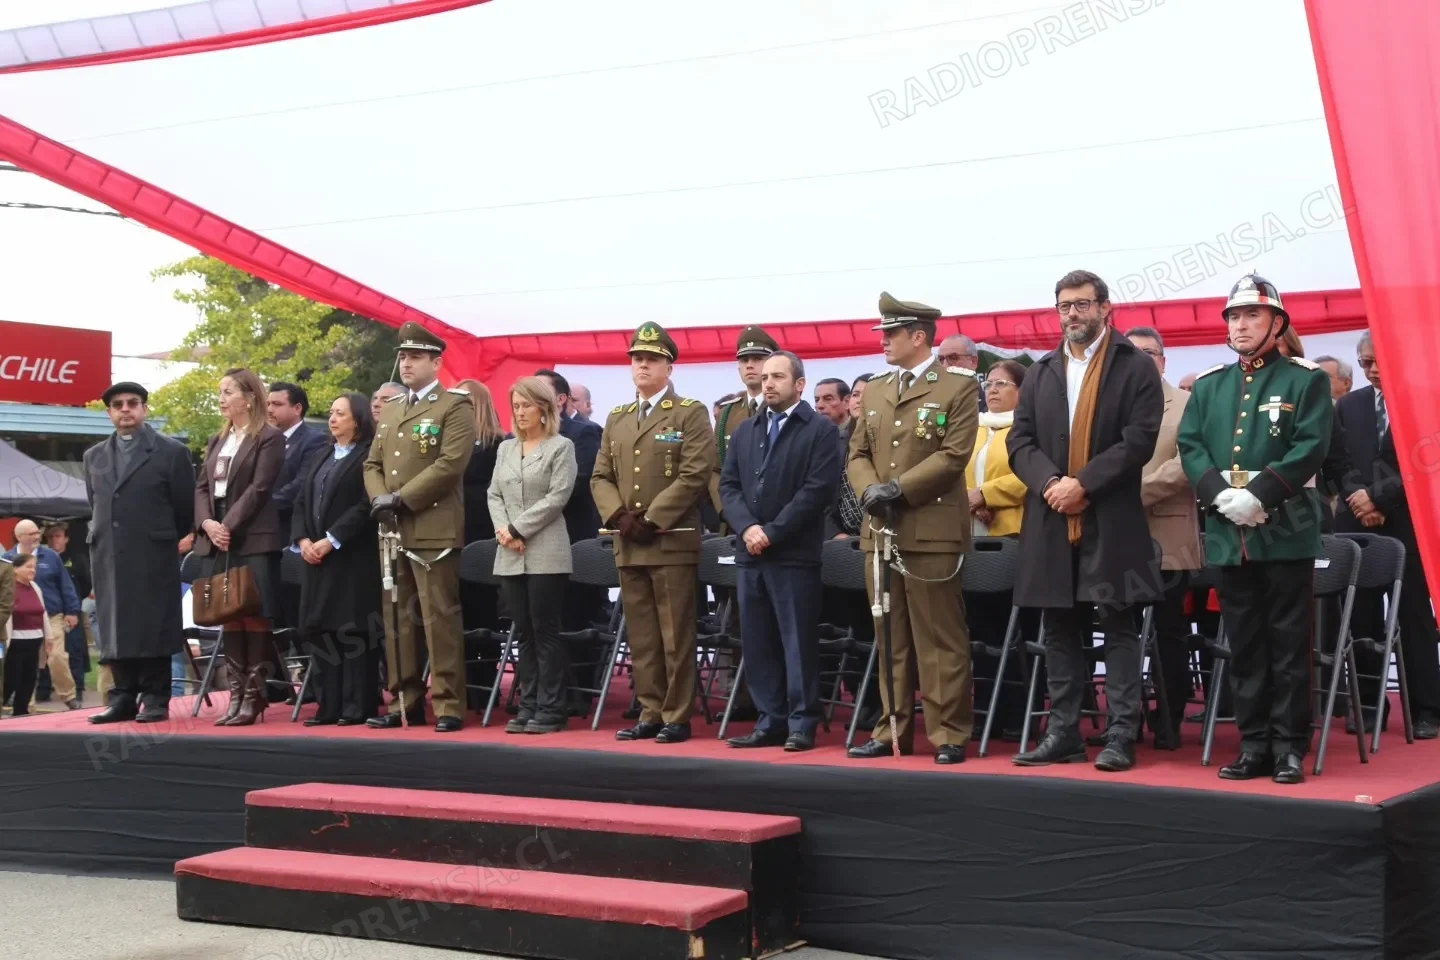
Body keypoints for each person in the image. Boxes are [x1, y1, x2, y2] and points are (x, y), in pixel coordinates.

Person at [1178, 273, 1333, 784]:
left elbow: (1310, 445)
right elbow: (1191, 445)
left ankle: (1290, 746)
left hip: (1285, 527)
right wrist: (1221, 496)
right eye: (1235, 316)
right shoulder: (1209, 385)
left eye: (1252, 315)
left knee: (1288, 643)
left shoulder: (1304, 378)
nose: (1241, 325)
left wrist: (1259, 495)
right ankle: (1255, 743)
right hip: (1227, 531)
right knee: (1244, 642)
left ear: (1277, 322)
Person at [1007, 270, 1163, 773]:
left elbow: (1139, 440)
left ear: (1105, 308)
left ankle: (1120, 734)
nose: (1072, 314)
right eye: (1064, 306)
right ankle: (1064, 732)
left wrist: (1084, 485)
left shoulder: (1134, 367)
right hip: (1051, 517)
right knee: (1059, 628)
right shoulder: (1042, 370)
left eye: (1082, 304)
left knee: (1118, 626)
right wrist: (1052, 483)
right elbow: (1019, 442)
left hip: (1110, 517)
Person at [845, 292, 980, 764]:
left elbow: (953, 454)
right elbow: (858, 451)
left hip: (930, 527)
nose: (883, 341)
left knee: (938, 638)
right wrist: (868, 491)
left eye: (891, 333)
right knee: (889, 635)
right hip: (880, 529)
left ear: (918, 337)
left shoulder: (958, 386)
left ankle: (949, 733)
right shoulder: (879, 387)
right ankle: (891, 729)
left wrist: (897, 489)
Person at [591, 322, 715, 744]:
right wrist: (619, 517)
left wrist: (653, 518)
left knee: (675, 634)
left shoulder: (689, 411)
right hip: (629, 539)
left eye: (651, 359)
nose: (642, 365)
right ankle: (651, 710)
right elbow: (600, 475)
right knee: (642, 635)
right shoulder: (618, 416)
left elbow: (696, 472)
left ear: (669, 366)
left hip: (670, 537)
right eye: (637, 359)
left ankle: (677, 715)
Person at [720, 351, 841, 751]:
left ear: (799, 384)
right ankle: (769, 718)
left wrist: (771, 531)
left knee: (796, 641)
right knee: (757, 641)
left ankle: (802, 721)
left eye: (778, 377)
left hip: (793, 554)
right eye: (765, 377)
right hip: (750, 553)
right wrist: (747, 527)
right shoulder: (746, 429)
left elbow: (816, 491)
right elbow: (729, 487)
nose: (768, 383)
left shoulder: (819, 431)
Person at [364, 323, 477, 732]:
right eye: (403, 356)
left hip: (432, 526)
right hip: (392, 528)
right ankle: (404, 702)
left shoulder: (454, 406)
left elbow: (450, 465)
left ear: (436, 362)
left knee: (437, 619)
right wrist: (380, 499)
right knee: (397, 619)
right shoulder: (394, 409)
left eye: (415, 357)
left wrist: (400, 499)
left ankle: (447, 705)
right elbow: (372, 464)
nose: (406, 363)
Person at [1335, 331, 1440, 739]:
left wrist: (1376, 497)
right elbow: (1337, 461)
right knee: (1360, 616)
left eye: (1380, 361)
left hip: (1409, 526)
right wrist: (1357, 499)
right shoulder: (1349, 405)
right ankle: (1367, 706)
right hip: (1355, 524)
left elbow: (1426, 461)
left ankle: (1426, 707)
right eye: (1365, 363)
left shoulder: (1426, 400)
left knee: (1414, 616)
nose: (1373, 370)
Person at [83, 381, 196, 724]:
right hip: (109, 554)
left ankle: (156, 698)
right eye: (118, 405)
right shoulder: (94, 456)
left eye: (133, 403)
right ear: (110, 413)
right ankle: (123, 698)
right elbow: (96, 504)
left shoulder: (171, 452)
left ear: (145, 409)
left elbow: (183, 509)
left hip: (152, 552)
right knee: (115, 626)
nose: (126, 409)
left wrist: (159, 538)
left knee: (153, 625)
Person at [193, 368, 288, 726]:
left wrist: (227, 525)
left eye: (227, 392)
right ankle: (235, 695)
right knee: (228, 613)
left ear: (248, 397)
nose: (221, 398)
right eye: (220, 391)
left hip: (252, 535)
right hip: (216, 533)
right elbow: (201, 487)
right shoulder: (219, 440)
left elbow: (260, 488)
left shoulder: (269, 437)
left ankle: (254, 695)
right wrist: (207, 525)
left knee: (254, 613)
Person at [1125, 327, 1202, 747]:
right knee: (1124, 630)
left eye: (1148, 353)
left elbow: (1186, 464)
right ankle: (1126, 718)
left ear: (1163, 360)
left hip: (1169, 535)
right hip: (1120, 538)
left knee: (1168, 632)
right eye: (1130, 354)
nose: (1139, 361)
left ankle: (1170, 718)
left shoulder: (1189, 404)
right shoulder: (1111, 404)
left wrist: (1129, 494)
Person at [489, 377, 578, 734]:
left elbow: (557, 497)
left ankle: (552, 708)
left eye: (526, 405)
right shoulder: (505, 449)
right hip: (509, 552)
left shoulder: (562, 447)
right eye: (516, 405)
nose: (520, 411)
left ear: (544, 408)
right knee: (522, 631)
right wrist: (503, 531)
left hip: (545, 550)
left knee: (545, 631)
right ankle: (528, 704)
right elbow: (494, 494)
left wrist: (517, 529)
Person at [292, 393, 383, 726]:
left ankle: (356, 706)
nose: (332, 419)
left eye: (340, 414)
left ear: (357, 419)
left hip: (352, 558)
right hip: (316, 559)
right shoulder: (321, 454)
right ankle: (328, 706)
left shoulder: (369, 454)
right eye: (331, 413)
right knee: (321, 631)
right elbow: (301, 499)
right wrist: (302, 539)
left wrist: (331, 540)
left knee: (352, 632)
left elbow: (364, 505)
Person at [964, 360, 1034, 738]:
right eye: (988, 383)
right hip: (973, 536)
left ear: (1021, 391)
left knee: (1015, 631)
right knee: (981, 632)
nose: (991, 390)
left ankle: (1016, 715)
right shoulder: (971, 429)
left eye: (1002, 384)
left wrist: (987, 494)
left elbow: (1030, 472)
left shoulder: (1029, 426)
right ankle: (983, 710)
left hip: (1014, 538)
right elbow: (954, 469)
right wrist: (972, 499)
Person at [267, 381, 329, 630]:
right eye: (268, 403)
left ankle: (300, 665)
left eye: (277, 404)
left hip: (290, 532)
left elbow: (301, 485)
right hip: (263, 536)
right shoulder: (262, 439)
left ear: (297, 408)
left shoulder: (314, 441)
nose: (270, 409)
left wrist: (259, 509)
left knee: (291, 608)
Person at [2, 519, 81, 710]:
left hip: (51, 615)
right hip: (18, 621)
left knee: (57, 657)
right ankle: (26, 706)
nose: (37, 536)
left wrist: (72, 610)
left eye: (38, 532)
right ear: (20, 536)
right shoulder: (7, 559)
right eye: (32, 533)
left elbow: (65, 584)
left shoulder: (51, 556)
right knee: (21, 665)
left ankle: (69, 696)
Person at [457, 379, 510, 648]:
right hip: (454, 531)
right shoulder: (450, 444)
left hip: (484, 532)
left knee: (482, 605)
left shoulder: (499, 444)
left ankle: (485, 678)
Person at [711, 326, 778, 531]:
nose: (750, 365)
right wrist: (727, 511)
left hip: (775, 521)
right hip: (733, 522)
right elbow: (714, 470)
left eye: (757, 359)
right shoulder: (727, 413)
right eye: (744, 360)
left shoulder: (784, 409)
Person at [4, 554, 52, 717]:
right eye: (28, 566)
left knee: (29, 679)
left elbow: (42, 613)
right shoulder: (7, 588)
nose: (33, 570)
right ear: (15, 569)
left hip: (34, 640)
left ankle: (20, 712)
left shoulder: (35, 587)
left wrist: (49, 637)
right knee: (10, 680)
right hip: (13, 642)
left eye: (34, 567)